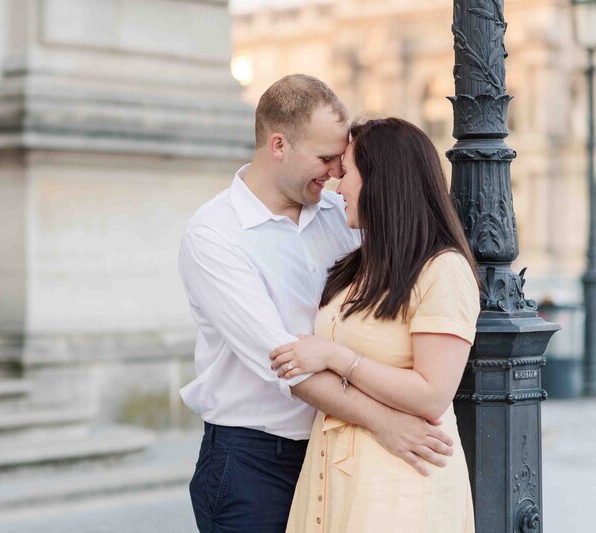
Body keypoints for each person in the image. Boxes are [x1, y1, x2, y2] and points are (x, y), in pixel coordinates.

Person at [178, 75, 456, 533]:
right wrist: (386, 422)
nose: (335, 173)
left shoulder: (342, 216)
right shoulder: (215, 235)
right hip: (254, 463)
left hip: (341, 452)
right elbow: (288, 364)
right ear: (278, 145)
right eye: (325, 158)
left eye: (340, 160)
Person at [271, 117, 477, 532]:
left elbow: (432, 394)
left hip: (398, 479)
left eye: (346, 172)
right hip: (333, 470)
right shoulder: (357, 266)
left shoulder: (443, 270)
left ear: (384, 180)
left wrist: (336, 356)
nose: (336, 186)